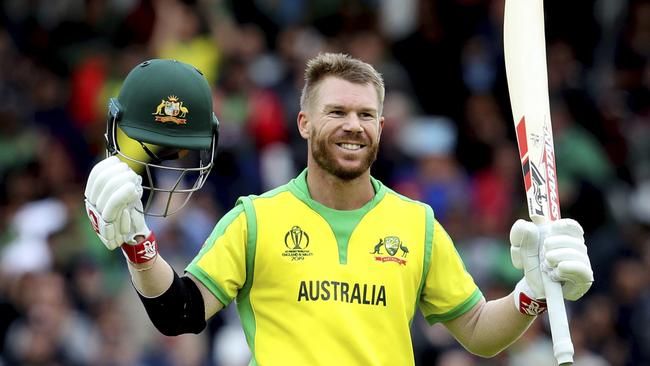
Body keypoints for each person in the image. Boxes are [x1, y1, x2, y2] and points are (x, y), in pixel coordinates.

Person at [84, 53, 594, 365]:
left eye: (366, 114)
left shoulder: (417, 224)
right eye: (337, 112)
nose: (354, 124)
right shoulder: (254, 219)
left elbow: (480, 333)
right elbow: (179, 314)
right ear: (304, 122)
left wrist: (531, 292)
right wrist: (137, 245)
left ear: (380, 126)